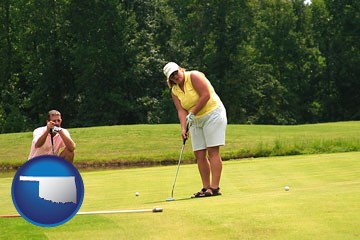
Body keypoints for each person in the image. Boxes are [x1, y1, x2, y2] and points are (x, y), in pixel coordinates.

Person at [163, 62, 227, 197]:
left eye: (176, 73)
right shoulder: (174, 91)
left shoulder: (194, 76)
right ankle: (206, 187)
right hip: (195, 120)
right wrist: (183, 128)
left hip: (213, 114)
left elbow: (205, 95)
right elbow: (181, 110)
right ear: (169, 79)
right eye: (171, 76)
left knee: (213, 151)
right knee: (199, 153)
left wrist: (192, 113)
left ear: (181, 69)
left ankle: (214, 188)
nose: (175, 77)